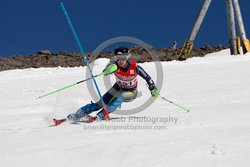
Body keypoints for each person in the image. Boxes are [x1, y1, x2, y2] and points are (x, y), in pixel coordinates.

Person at [67, 47, 160, 123]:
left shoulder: (134, 67)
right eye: (118, 58)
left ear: (127, 57)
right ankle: (78, 114)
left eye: (123, 57)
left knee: (119, 98)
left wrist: (153, 88)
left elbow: (148, 78)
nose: (121, 60)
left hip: (131, 92)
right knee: (100, 103)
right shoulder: (114, 66)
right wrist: (106, 71)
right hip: (118, 87)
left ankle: (101, 115)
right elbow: (106, 71)